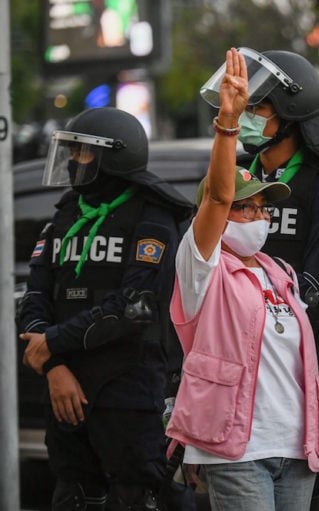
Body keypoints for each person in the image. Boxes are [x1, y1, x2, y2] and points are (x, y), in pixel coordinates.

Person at [164, 48, 319, 511]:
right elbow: (217, 197)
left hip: (297, 448)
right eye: (244, 207)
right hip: (236, 449)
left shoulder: (282, 274)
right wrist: (228, 123)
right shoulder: (204, 266)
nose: (256, 216)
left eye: (262, 207)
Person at [18, 106, 194, 510]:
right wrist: (54, 367)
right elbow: (36, 296)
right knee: (75, 495)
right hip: (65, 391)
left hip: (128, 390)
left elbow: (135, 309)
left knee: (140, 496)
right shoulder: (65, 216)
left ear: (113, 157)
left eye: (82, 153)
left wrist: (55, 343)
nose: (74, 162)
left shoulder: (153, 217)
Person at [226, 47, 319, 511]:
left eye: (256, 107)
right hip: (236, 353)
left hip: (298, 351)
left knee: (317, 480)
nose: (246, 117)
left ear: (288, 111)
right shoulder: (241, 179)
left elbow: (317, 281)